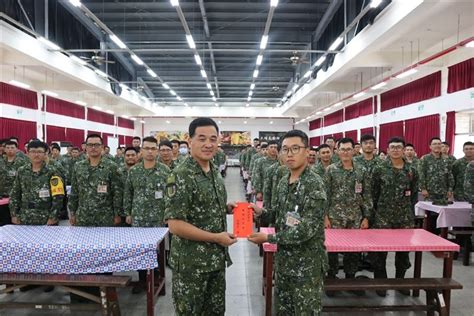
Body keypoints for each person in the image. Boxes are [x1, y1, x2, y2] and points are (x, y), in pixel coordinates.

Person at [248, 129, 327, 315]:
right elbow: (278, 214)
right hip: (284, 263)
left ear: (307, 152)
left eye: (295, 148)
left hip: (306, 268)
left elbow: (308, 229)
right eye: (285, 149)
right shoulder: (285, 181)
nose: (289, 154)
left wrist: (269, 237)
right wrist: (261, 213)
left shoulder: (314, 184)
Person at [164, 117, 236, 315]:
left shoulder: (212, 169)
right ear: (190, 140)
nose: (208, 144)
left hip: (215, 261)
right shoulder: (181, 175)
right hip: (191, 265)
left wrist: (225, 207)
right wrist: (215, 237)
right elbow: (175, 225)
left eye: (213, 139)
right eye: (202, 138)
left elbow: (203, 207)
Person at [371, 137, 419, 297]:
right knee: (380, 252)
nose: (396, 150)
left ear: (404, 149)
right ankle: (381, 282)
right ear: (388, 149)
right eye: (393, 147)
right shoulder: (379, 169)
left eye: (399, 147)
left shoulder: (412, 170)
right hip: (383, 216)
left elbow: (413, 195)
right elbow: (374, 193)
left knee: (403, 251)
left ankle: (400, 281)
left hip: (404, 217)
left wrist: (408, 210)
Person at [324, 138, 371, 296]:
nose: (345, 152)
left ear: (354, 151)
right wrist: (325, 216)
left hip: (355, 216)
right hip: (334, 217)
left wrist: (366, 217)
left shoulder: (361, 170)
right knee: (332, 250)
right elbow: (325, 195)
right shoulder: (331, 169)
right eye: (342, 149)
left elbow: (367, 195)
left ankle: (350, 278)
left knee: (354, 250)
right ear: (336, 151)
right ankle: (332, 278)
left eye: (348, 149)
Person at [124, 137, 170, 294]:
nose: (150, 151)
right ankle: (142, 280)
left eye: (153, 148)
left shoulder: (165, 171)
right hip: (138, 218)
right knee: (140, 250)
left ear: (157, 151)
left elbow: (170, 195)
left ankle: (157, 279)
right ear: (141, 151)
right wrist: (128, 213)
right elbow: (128, 193)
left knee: (157, 250)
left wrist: (168, 214)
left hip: (158, 218)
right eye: (147, 148)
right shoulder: (134, 171)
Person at [68, 134, 122, 227]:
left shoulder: (111, 166)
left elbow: (117, 193)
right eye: (90, 145)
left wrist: (117, 214)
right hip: (83, 216)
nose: (93, 148)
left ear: (102, 147)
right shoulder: (78, 166)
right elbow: (74, 192)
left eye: (97, 145)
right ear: (86, 147)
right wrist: (72, 213)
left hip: (105, 217)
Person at [10, 140, 64, 226]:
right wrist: (14, 214)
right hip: (24, 217)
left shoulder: (53, 172)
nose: (36, 155)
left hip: (46, 218)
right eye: (33, 152)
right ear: (27, 153)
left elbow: (58, 197)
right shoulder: (21, 171)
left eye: (39, 152)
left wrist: (53, 216)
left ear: (45, 153)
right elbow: (15, 193)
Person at [419, 137, 454, 205]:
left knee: (443, 213)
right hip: (429, 192)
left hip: (443, 192)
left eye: (439, 144)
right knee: (430, 213)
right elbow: (421, 174)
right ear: (430, 146)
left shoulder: (447, 160)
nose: (437, 145)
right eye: (434, 144)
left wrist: (450, 189)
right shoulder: (425, 159)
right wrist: (423, 188)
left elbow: (450, 176)